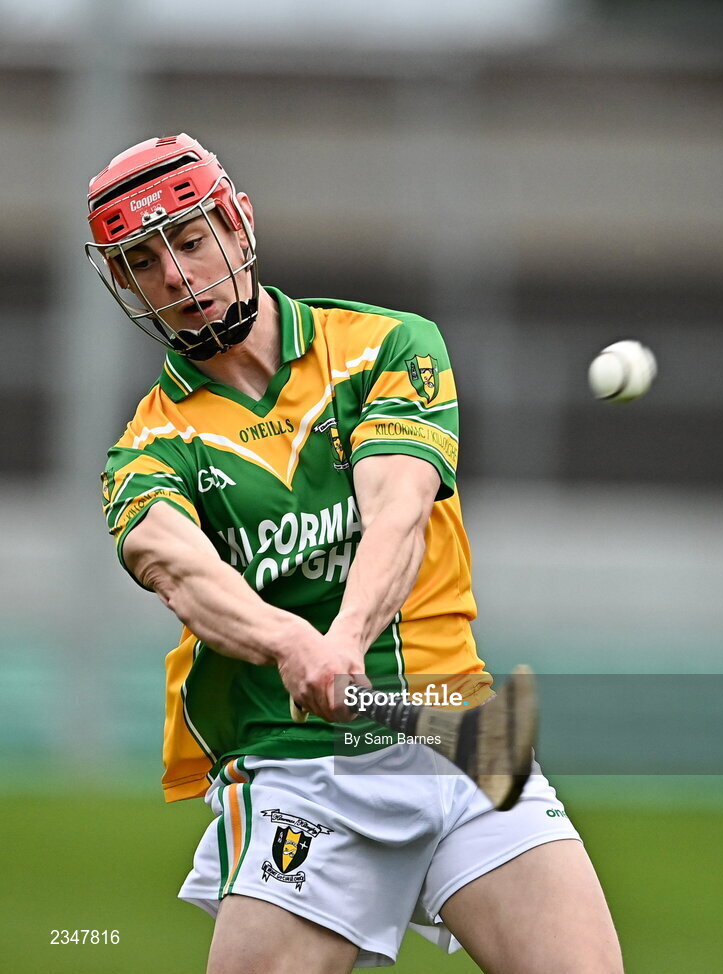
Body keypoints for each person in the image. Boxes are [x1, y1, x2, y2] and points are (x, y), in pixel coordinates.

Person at [87, 133, 623, 974]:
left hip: (457, 738)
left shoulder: (387, 347)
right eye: (144, 262)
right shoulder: (148, 447)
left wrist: (339, 641)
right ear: (125, 284)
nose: (178, 277)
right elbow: (184, 574)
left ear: (238, 225)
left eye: (190, 240)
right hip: (302, 777)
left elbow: (397, 513)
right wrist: (291, 645)